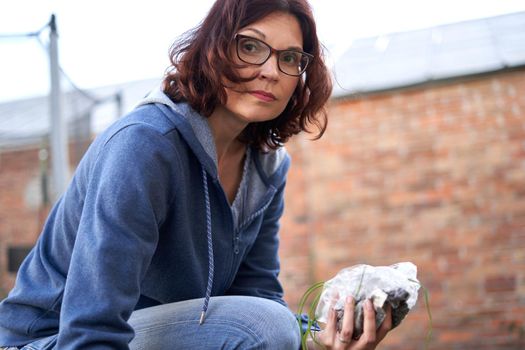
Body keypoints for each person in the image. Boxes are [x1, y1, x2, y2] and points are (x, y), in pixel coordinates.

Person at [0, 0, 392, 349]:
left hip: (143, 334)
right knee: (263, 327)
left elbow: (255, 294)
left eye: (290, 58)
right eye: (251, 46)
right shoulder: (144, 145)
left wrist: (316, 336)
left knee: (271, 324)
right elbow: (91, 327)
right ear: (214, 49)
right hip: (52, 338)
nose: (272, 70)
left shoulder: (268, 167)